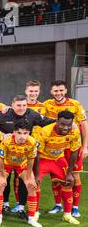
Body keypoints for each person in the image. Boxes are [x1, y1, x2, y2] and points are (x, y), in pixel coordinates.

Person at [0, 94, 54, 215]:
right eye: (18, 105)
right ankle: (4, 204)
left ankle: (21, 206)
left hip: (23, 154)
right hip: (6, 154)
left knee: (24, 180)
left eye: (24, 105)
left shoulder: (32, 114)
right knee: (3, 180)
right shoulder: (3, 114)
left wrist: (67, 123)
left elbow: (47, 122)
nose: (21, 108)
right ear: (12, 105)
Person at [43, 80, 88, 218]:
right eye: (56, 91)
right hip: (55, 146)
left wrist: (85, 146)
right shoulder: (47, 105)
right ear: (51, 92)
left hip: (71, 146)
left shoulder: (75, 104)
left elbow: (84, 125)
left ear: (66, 90)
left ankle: (75, 207)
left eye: (61, 90)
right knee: (56, 177)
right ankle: (58, 205)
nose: (58, 93)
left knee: (74, 176)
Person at [34, 111, 81, 225]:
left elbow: (74, 152)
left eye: (68, 125)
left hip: (58, 159)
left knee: (68, 182)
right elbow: (37, 154)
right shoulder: (45, 131)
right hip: (43, 160)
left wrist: (69, 173)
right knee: (34, 184)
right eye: (63, 124)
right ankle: (34, 213)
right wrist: (35, 175)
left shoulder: (74, 132)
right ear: (57, 121)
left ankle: (67, 215)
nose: (66, 128)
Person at [0, 120, 41, 227]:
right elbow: (0, 159)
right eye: (19, 133)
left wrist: (29, 177)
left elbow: (31, 160)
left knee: (31, 186)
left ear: (29, 133)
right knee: (0, 185)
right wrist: (1, 176)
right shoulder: (6, 141)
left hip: (22, 165)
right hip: (6, 164)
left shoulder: (32, 142)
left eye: (25, 133)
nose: (22, 136)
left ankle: (31, 219)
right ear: (14, 132)